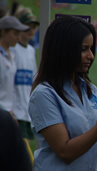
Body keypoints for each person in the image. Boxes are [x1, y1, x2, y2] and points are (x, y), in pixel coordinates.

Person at [28, 15, 97, 171]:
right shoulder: (44, 95)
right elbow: (65, 151)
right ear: (63, 50)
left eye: (91, 49)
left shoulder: (91, 90)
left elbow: (91, 151)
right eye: (84, 49)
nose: (91, 56)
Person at [9, 8, 40, 162]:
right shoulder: (11, 50)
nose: (31, 30)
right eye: (28, 26)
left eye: (34, 27)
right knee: (26, 158)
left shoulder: (30, 51)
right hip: (13, 114)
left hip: (26, 113)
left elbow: (33, 82)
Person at [0, 16, 29, 118]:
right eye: (15, 34)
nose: (18, 38)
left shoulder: (10, 55)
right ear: (3, 32)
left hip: (8, 112)